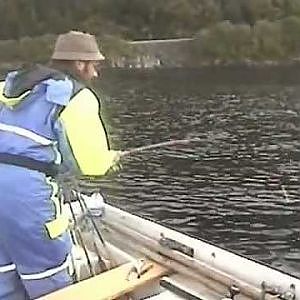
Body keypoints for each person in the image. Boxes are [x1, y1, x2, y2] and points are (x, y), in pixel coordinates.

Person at [0, 31, 121, 299]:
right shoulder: (77, 97)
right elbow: (91, 164)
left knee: (4, 276)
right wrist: (111, 158)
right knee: (47, 276)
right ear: (80, 64)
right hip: (27, 197)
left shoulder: (10, 86)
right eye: (94, 66)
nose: (95, 74)